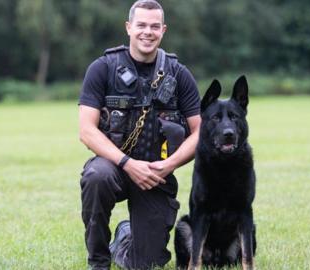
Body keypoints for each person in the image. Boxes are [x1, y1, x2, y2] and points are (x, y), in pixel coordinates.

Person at [78, 0, 201, 269]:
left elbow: (199, 132)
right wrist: (128, 164)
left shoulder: (179, 75)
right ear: (128, 28)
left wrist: (169, 165)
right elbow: (86, 131)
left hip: (156, 174)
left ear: (163, 30)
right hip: (114, 166)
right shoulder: (102, 68)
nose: (148, 31)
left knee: (145, 263)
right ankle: (98, 261)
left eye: (154, 26)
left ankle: (124, 237)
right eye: (141, 25)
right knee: (96, 176)